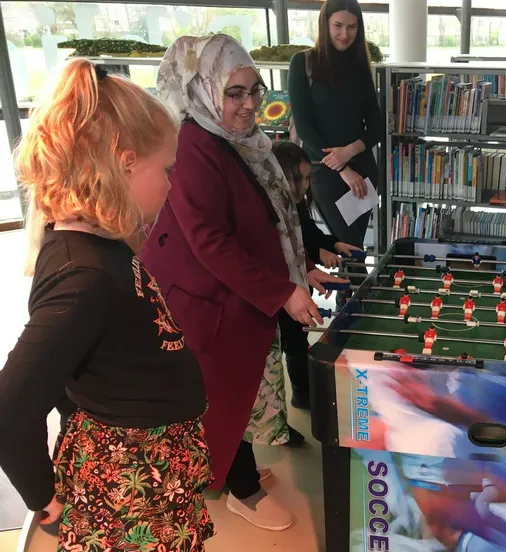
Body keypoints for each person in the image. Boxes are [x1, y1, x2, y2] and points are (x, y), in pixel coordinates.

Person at [0, 60, 214, 549]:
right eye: (167, 170)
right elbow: (11, 406)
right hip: (130, 491)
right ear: (125, 163)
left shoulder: (101, 245)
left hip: (153, 471)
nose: (172, 183)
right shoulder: (85, 276)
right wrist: (44, 498)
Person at [141, 34, 345, 531]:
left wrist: (301, 266)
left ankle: (236, 470)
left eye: (255, 90)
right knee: (228, 392)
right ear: (207, 90)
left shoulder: (240, 141)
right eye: (235, 93)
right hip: (206, 299)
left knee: (248, 389)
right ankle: (242, 488)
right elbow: (211, 241)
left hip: (237, 293)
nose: (250, 103)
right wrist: (282, 291)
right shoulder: (194, 144)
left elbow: (270, 221)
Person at [288, 0, 383, 307]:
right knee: (353, 248)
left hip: (364, 171)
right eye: (338, 26)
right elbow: (305, 128)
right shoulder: (303, 63)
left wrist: (351, 151)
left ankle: (346, 309)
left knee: (351, 248)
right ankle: (366, 305)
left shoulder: (361, 67)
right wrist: (341, 166)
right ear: (325, 25)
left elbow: (377, 128)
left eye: (352, 27)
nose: (345, 34)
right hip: (325, 173)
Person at [271, 139, 362, 409]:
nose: (305, 185)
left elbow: (309, 233)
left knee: (298, 341)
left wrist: (333, 244)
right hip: (283, 292)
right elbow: (283, 249)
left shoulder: (296, 203)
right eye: (299, 178)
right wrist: (312, 263)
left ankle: (304, 392)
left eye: (308, 178)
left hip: (299, 284)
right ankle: (301, 393)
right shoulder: (272, 207)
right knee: (291, 344)